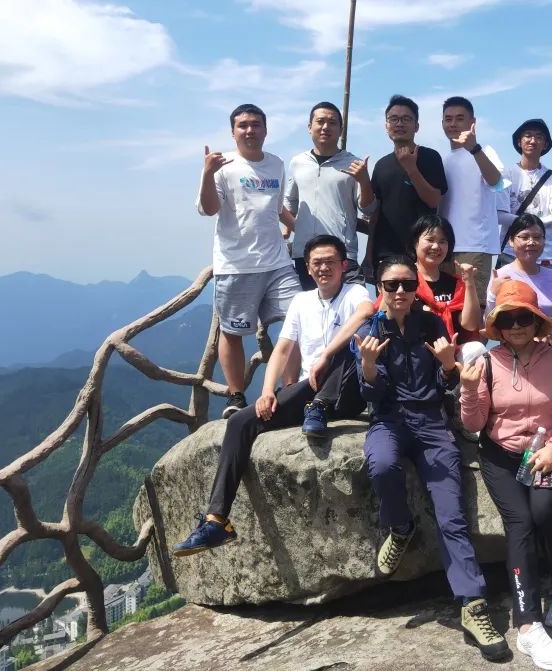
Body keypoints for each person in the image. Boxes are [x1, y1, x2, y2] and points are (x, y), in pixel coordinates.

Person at [173, 236, 374, 557]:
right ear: (308, 268)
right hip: (309, 390)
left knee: (357, 340)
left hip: (347, 391)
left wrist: (326, 354)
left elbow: (366, 313)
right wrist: (267, 392)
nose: (323, 268)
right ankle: (217, 520)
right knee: (240, 422)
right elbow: (282, 348)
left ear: (343, 265)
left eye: (330, 262)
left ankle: (320, 405)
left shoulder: (355, 292)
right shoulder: (302, 302)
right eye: (317, 263)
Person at [355, 257, 510, 662]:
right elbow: (370, 395)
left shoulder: (431, 325)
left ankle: (472, 604)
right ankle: (400, 527)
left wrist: (447, 368)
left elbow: (446, 385)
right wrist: (369, 366)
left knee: (451, 514)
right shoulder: (369, 332)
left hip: (430, 423)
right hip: (389, 420)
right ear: (380, 289)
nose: (401, 291)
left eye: (408, 284)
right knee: (382, 463)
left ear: (415, 288)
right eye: (392, 285)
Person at [459, 280, 552, 670]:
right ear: (497, 325)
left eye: (523, 318)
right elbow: (474, 423)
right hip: (501, 455)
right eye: (507, 319)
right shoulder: (487, 363)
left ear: (536, 321)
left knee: (545, 511)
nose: (516, 326)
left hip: (545, 454)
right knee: (521, 522)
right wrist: (468, 390)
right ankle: (527, 624)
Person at [198, 103, 302, 418]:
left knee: (297, 320)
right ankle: (236, 395)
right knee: (232, 332)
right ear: (233, 132)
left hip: (278, 262)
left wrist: (299, 228)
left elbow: (276, 207)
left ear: (265, 130)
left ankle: (290, 392)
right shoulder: (223, 166)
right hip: (236, 264)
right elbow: (209, 209)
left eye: (256, 124)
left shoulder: (276, 164)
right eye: (242, 125)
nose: (250, 130)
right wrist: (207, 173)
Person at [282, 101, 375, 291]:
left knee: (352, 306)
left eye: (332, 123)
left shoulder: (354, 163)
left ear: (341, 130)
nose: (326, 127)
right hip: (305, 255)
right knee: (310, 307)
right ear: (310, 127)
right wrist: (290, 230)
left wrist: (364, 181)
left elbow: (368, 208)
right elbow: (290, 202)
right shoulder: (298, 162)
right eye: (320, 121)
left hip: (342, 254)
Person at [365, 95, 448, 269]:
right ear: (386, 126)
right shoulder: (381, 165)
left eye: (406, 119)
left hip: (421, 252)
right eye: (393, 119)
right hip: (385, 253)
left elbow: (433, 200)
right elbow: (375, 213)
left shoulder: (430, 157)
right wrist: (368, 254)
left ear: (416, 126)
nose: (399, 124)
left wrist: (411, 168)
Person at [438, 96, 506, 305]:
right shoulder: (443, 159)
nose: (453, 124)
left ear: (472, 122)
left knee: (472, 308)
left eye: (460, 118)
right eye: (448, 119)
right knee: (445, 309)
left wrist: (474, 148)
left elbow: (496, 182)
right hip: (443, 247)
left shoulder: (485, 152)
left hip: (475, 247)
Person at [497, 118, 552, 267]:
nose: (533, 140)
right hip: (511, 254)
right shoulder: (506, 175)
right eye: (528, 135)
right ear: (519, 141)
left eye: (539, 137)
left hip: (544, 257)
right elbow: (500, 216)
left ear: (545, 144)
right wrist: (541, 221)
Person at [409, 214, 482, 342]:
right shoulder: (403, 279)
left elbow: (470, 325)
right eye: (430, 240)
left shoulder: (455, 283)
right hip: (416, 347)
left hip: (452, 347)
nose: (436, 246)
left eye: (442, 241)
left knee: (476, 349)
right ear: (415, 242)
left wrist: (469, 282)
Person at [487, 214, 552, 327]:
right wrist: (492, 294)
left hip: (549, 338)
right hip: (513, 337)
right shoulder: (500, 276)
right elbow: (488, 320)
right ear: (511, 240)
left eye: (537, 237)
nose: (531, 242)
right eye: (524, 237)